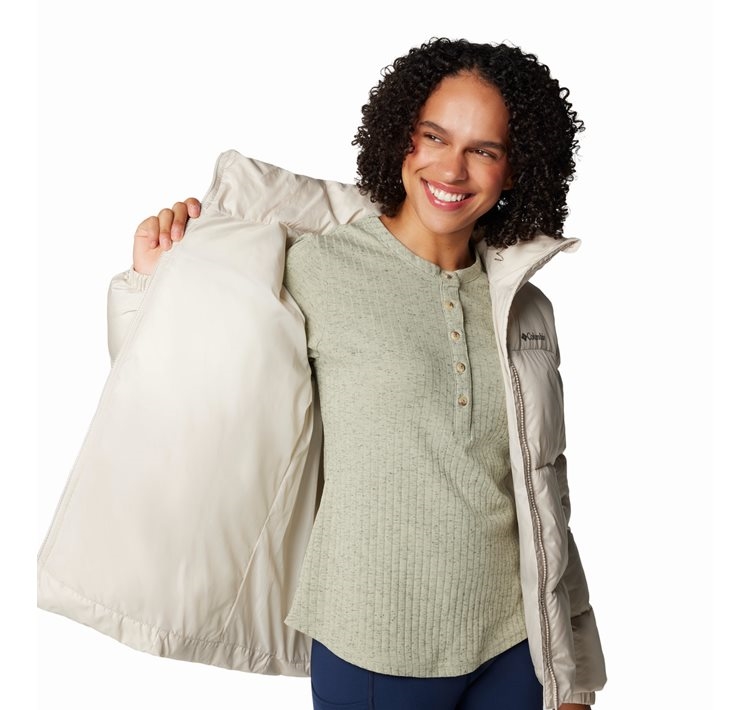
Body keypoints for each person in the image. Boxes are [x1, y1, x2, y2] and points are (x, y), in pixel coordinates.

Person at [50, 38, 606, 709]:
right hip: (372, 642)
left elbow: (545, 488)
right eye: (435, 136)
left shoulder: (522, 303)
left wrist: (572, 670)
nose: (452, 168)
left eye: (483, 150)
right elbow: (185, 391)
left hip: (519, 647)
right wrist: (151, 282)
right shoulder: (315, 267)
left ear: (514, 170)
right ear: (402, 137)